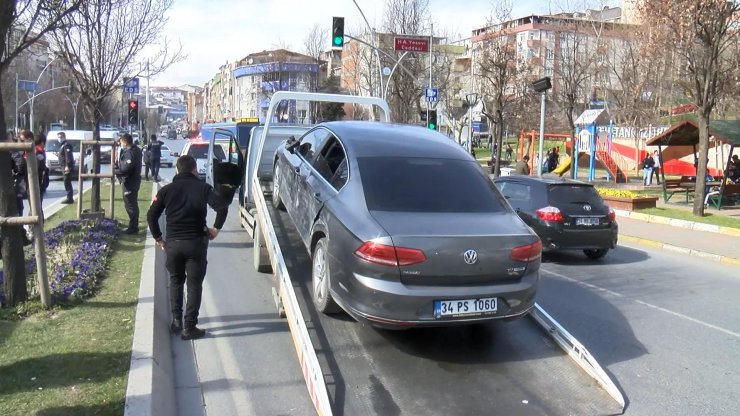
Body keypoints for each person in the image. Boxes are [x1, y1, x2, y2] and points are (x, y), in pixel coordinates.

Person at [147, 155, 229, 340]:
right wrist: (215, 229)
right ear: (194, 170)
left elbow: (151, 215)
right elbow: (222, 207)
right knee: (194, 286)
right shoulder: (204, 188)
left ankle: (177, 320)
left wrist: (159, 239)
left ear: (177, 170)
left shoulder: (166, 191)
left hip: (173, 245)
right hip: (196, 244)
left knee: (176, 281)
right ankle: (189, 327)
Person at [115, 133, 142, 234]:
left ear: (125, 142)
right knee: (131, 204)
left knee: (130, 205)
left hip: (130, 181)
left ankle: (133, 227)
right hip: (133, 181)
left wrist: (116, 170)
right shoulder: (135, 150)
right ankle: (133, 225)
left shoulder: (130, 152)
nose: (120, 144)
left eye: (121, 142)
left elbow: (126, 168)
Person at [57, 131, 75, 203]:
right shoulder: (62, 145)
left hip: (66, 167)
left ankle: (69, 198)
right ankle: (69, 197)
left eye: (61, 137)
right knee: (66, 181)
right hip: (64, 166)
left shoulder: (66, 145)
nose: (60, 139)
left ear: (64, 137)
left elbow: (68, 156)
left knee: (67, 181)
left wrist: (67, 166)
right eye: (58, 137)